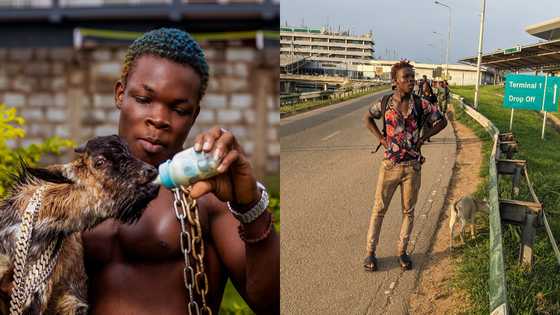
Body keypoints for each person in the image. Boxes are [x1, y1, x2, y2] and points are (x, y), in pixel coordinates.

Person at [82, 28, 279, 314]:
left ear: (194, 115)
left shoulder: (209, 196)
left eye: (179, 109)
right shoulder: (70, 190)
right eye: (144, 99)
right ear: (120, 94)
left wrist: (250, 207)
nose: (159, 119)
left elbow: (271, 304)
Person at [362, 60, 446, 271]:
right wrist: (381, 138)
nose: (411, 80)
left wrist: (422, 138)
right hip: (390, 166)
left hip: (412, 168)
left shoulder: (421, 104)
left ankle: (402, 251)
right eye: (406, 78)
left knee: (408, 211)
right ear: (395, 81)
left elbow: (441, 121)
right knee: (379, 210)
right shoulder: (385, 103)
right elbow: (368, 118)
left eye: (412, 77)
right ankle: (370, 253)